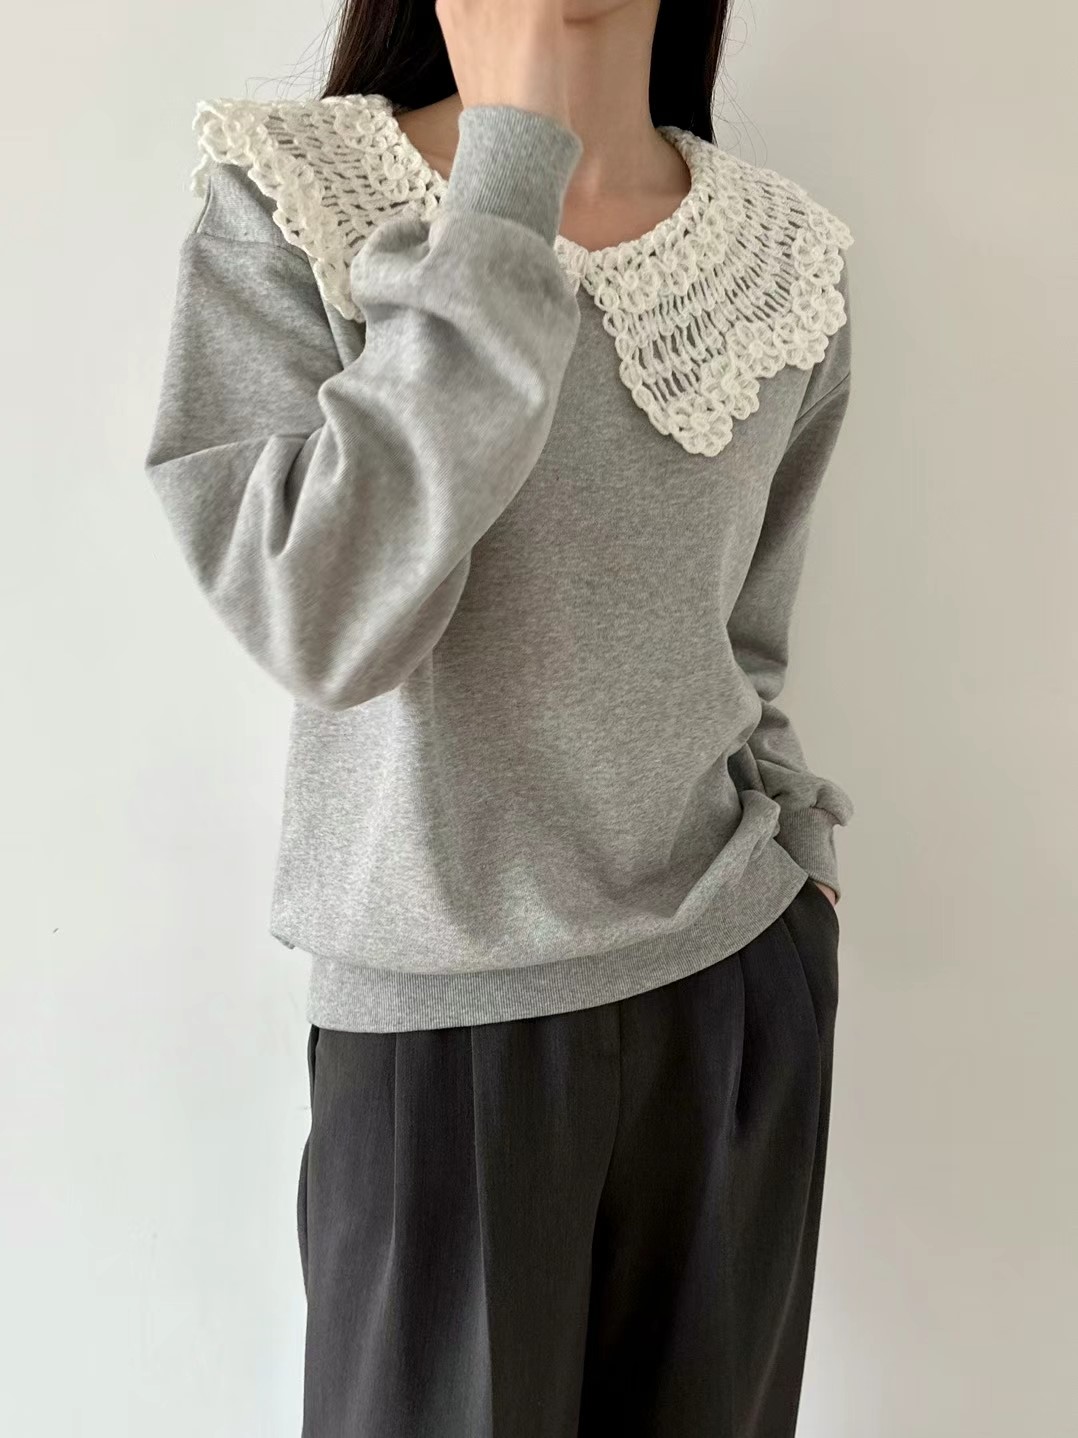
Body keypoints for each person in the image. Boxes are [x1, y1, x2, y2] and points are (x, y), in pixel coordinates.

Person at [144, 0, 856, 1431]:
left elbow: (744, 637)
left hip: (730, 990)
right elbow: (325, 618)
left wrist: (802, 874)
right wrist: (508, 175)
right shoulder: (292, 196)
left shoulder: (779, 258)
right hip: (442, 1032)